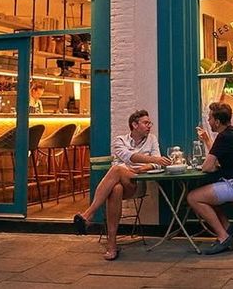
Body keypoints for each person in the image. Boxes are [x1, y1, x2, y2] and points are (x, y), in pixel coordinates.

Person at [72, 109, 171, 260]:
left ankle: (88, 214)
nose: (149, 126)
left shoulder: (152, 139)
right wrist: (153, 160)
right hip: (120, 183)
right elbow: (130, 157)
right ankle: (112, 246)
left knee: (117, 168)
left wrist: (148, 165)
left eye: (149, 123)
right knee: (116, 189)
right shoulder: (120, 140)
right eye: (146, 123)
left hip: (136, 184)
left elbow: (156, 165)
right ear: (134, 125)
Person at [187, 102, 233, 255]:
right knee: (207, 194)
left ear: (217, 121)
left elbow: (207, 167)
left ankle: (223, 237)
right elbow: (218, 158)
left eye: (210, 118)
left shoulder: (225, 137)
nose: (208, 121)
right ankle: (227, 228)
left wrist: (211, 165)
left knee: (193, 197)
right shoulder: (231, 133)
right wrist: (207, 141)